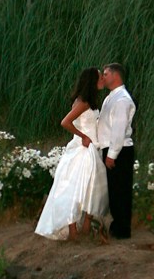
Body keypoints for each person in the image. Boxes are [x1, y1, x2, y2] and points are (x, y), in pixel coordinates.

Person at [35, 68, 109, 241]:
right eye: (99, 78)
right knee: (75, 189)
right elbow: (65, 122)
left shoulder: (90, 102)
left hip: (92, 148)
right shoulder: (82, 103)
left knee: (92, 187)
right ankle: (74, 230)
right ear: (92, 81)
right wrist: (83, 136)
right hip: (82, 150)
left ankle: (85, 226)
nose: (102, 80)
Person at [97, 63, 136, 240]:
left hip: (120, 151)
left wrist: (112, 155)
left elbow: (118, 131)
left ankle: (123, 229)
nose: (103, 77)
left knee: (121, 190)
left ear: (116, 75)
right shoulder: (110, 98)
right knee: (114, 190)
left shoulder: (122, 100)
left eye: (105, 74)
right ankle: (117, 225)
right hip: (110, 149)